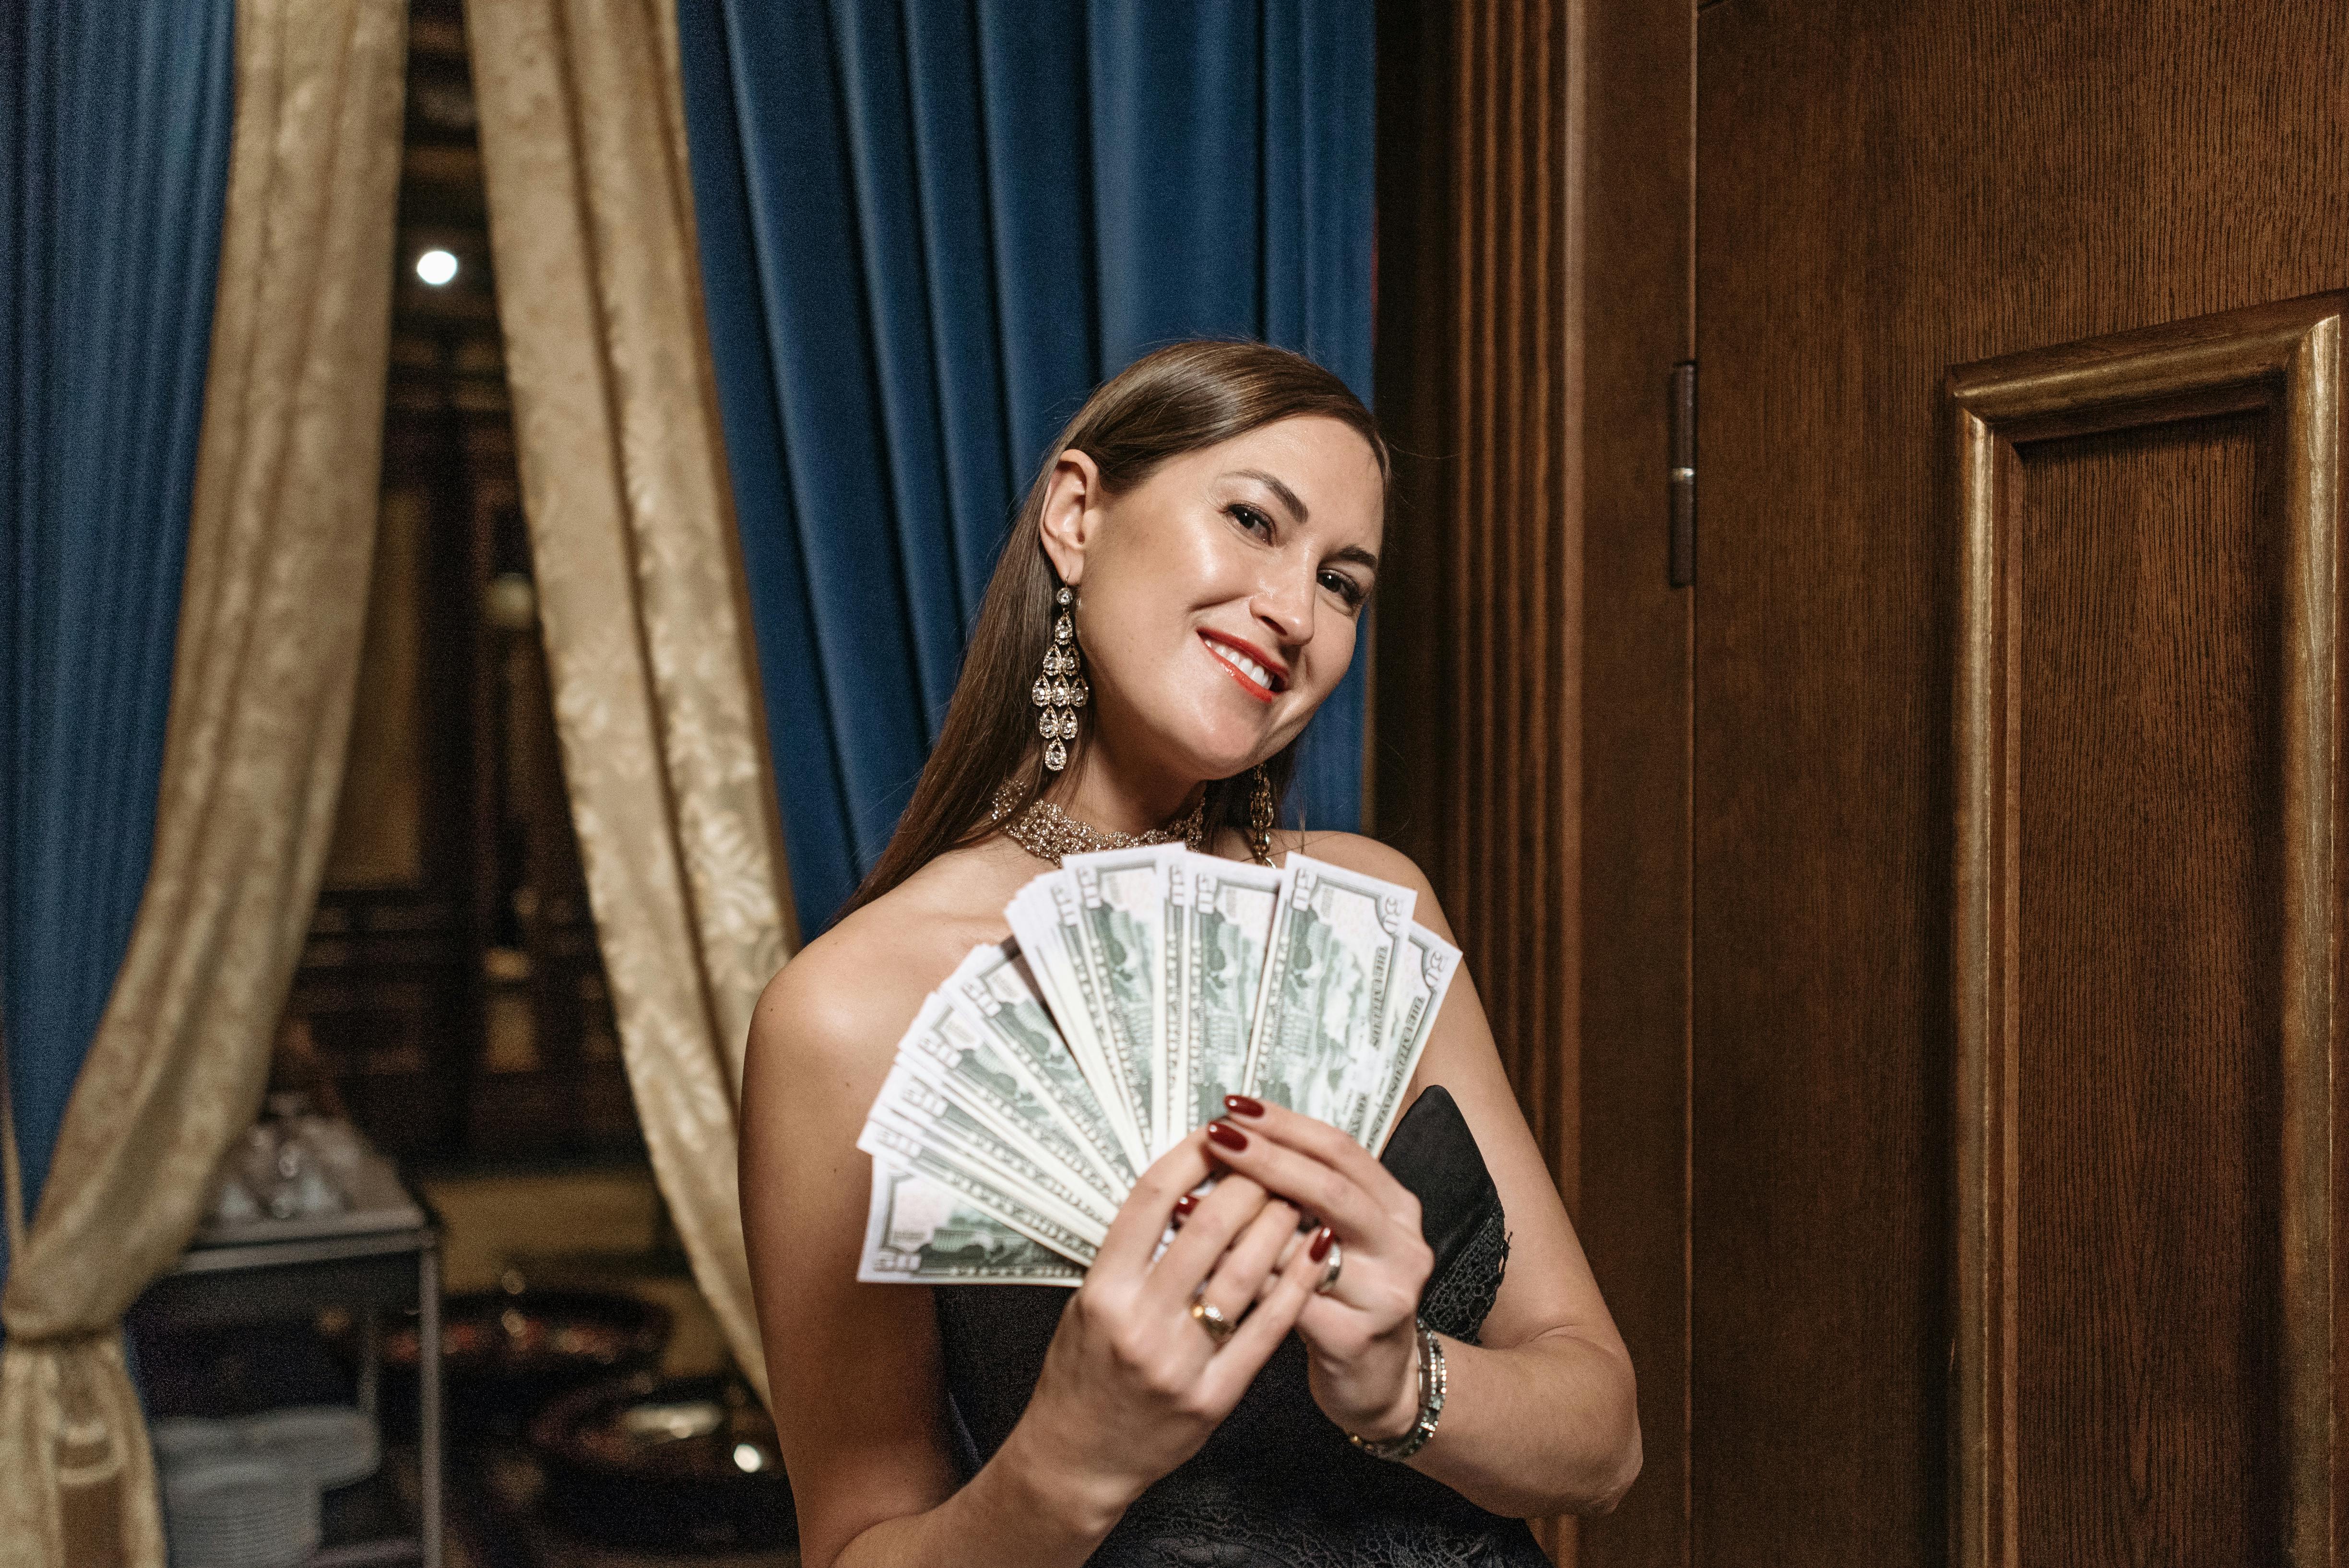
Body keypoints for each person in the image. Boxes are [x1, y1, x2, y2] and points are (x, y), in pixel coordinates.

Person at [741, 341, 1641, 1568]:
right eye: (1253, 520)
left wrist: (1402, 1382)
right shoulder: (852, 1010)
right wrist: (1071, 1457)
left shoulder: (1379, 912)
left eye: (1342, 582)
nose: (1295, 611)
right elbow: (855, 1545)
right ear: (1077, 515)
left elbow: (1605, 1437)